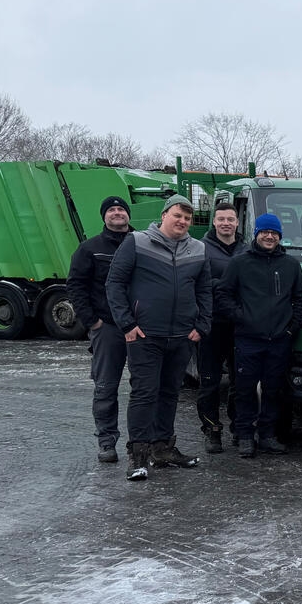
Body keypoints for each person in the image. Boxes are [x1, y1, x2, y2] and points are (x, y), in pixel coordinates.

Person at [105, 194, 212, 480]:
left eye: (188, 218)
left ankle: (163, 448)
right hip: (145, 335)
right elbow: (114, 283)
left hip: (181, 336)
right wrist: (127, 323)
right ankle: (138, 456)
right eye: (178, 215)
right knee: (144, 394)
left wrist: (201, 326)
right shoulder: (137, 242)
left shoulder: (198, 249)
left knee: (169, 394)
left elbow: (204, 291)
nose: (183, 222)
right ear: (164, 215)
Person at [216, 212, 302, 458]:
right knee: (244, 390)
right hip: (248, 339)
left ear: (279, 236)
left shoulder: (290, 265)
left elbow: (300, 300)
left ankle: (267, 435)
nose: (269, 236)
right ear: (256, 234)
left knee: (273, 390)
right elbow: (223, 295)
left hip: (279, 340)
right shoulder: (240, 262)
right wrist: (242, 317)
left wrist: (291, 328)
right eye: (265, 232)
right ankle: (245, 436)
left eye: (274, 233)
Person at [67, 194, 133, 463]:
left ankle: (145, 441)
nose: (117, 213)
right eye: (112, 210)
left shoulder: (142, 244)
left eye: (121, 209)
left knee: (146, 387)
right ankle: (107, 441)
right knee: (106, 386)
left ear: (128, 215)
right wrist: (92, 321)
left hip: (141, 327)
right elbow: (75, 286)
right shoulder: (89, 248)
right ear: (104, 216)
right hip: (108, 328)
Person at [196, 201, 241, 453]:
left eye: (230, 219)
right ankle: (212, 429)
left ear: (237, 222)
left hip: (239, 326)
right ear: (214, 222)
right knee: (210, 382)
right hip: (211, 325)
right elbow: (195, 282)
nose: (226, 223)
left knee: (239, 381)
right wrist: (225, 286)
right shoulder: (200, 248)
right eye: (221, 219)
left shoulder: (246, 250)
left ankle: (239, 427)